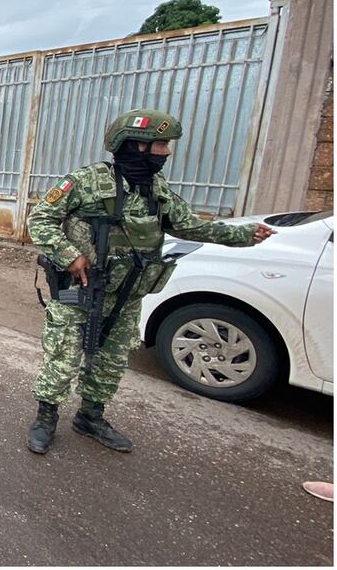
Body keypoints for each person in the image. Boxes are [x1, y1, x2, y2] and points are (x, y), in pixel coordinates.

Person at [26, 109, 276, 455]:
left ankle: (90, 417)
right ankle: (46, 417)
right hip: (77, 288)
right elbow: (40, 218)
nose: (167, 152)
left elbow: (190, 227)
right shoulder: (86, 181)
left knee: (111, 359)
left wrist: (244, 234)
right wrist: (69, 253)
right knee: (64, 352)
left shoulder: (156, 190)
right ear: (136, 145)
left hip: (127, 292)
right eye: (160, 144)